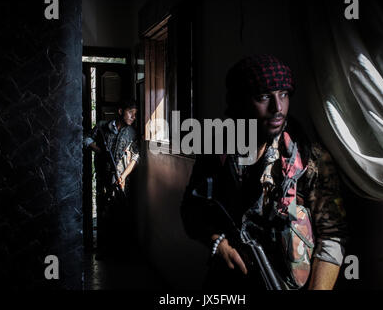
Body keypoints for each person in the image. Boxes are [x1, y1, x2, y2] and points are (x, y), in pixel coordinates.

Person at [180, 55, 348, 290]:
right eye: (263, 97)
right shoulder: (218, 152)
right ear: (239, 102)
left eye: (284, 94)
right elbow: (191, 210)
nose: (277, 108)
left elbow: (332, 236)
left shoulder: (309, 158)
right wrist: (218, 243)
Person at [84, 99, 140, 257]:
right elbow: (87, 139)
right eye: (131, 113)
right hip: (103, 175)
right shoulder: (103, 126)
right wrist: (99, 149)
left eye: (135, 114)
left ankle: (119, 250)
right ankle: (103, 249)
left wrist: (123, 176)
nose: (133, 117)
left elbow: (136, 157)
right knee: (102, 210)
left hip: (120, 179)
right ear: (121, 111)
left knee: (119, 212)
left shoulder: (131, 132)